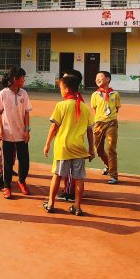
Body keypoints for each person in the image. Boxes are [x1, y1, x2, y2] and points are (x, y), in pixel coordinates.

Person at [43, 74, 95, 216]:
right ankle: (77, 206)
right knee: (79, 179)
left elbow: (54, 127)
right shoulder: (84, 107)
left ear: (66, 89)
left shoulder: (61, 105)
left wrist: (47, 144)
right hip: (79, 148)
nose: (60, 90)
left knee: (57, 176)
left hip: (63, 147)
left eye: (60, 87)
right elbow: (90, 130)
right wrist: (91, 149)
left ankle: (51, 203)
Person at [0, 66, 32, 199]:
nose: (24, 80)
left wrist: (27, 130)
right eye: (22, 77)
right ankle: (7, 186)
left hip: (21, 134)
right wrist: (1, 129)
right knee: (8, 162)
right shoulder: (3, 94)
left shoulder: (24, 94)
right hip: (7, 134)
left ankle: (21, 181)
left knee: (24, 161)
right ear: (15, 79)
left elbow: (27, 113)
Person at [57, 69, 84, 203]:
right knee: (72, 171)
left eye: (65, 78)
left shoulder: (75, 101)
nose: (63, 79)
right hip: (74, 140)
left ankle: (69, 192)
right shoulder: (76, 99)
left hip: (70, 141)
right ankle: (70, 190)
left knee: (70, 171)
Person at [91, 70, 121, 185]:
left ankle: (114, 175)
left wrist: (110, 118)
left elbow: (117, 109)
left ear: (108, 79)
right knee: (98, 150)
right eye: (96, 78)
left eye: (100, 77)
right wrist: (99, 120)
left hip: (112, 123)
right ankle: (108, 166)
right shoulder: (95, 95)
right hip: (99, 124)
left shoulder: (115, 94)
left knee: (111, 149)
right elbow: (95, 109)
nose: (97, 79)